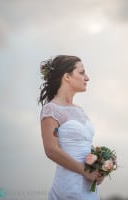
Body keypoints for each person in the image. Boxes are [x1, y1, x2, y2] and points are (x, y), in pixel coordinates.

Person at [38, 55, 104, 200]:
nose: (87, 78)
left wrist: (98, 168)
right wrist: (85, 171)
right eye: (81, 73)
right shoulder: (51, 110)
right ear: (67, 77)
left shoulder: (80, 110)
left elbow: (85, 146)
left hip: (89, 188)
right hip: (68, 187)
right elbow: (51, 150)